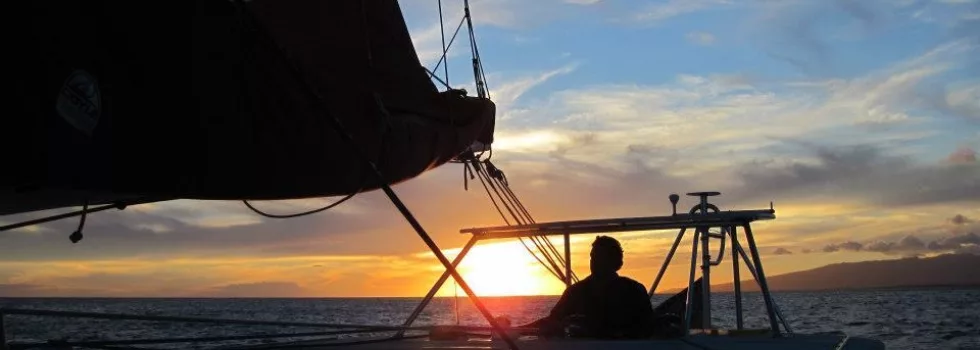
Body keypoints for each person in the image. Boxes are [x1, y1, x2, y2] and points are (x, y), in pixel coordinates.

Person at [523, 236, 654, 339]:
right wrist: (516, 329)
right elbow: (552, 322)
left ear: (615, 261)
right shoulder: (574, 292)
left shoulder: (634, 291)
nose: (593, 261)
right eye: (592, 256)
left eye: (599, 256)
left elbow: (649, 328)